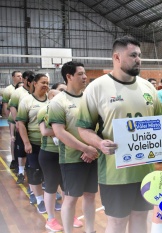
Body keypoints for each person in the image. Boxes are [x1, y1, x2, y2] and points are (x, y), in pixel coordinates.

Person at [76, 36, 162, 233]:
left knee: (140, 218)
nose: (138, 59)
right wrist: (100, 144)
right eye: (133, 55)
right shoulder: (96, 87)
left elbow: (161, 124)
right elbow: (83, 128)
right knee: (117, 223)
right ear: (117, 57)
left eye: (140, 55)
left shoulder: (148, 87)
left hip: (146, 171)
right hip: (114, 174)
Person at [48, 61, 97, 233]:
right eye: (80, 74)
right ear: (69, 76)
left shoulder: (90, 98)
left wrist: (93, 149)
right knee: (70, 198)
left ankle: (91, 230)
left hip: (93, 156)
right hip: (71, 159)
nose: (85, 77)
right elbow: (59, 132)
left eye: (85, 73)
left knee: (90, 196)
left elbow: (97, 126)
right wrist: (85, 148)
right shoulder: (58, 102)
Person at [16, 73, 49, 214]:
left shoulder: (52, 100)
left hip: (50, 145)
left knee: (49, 173)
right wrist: (26, 143)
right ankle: (40, 200)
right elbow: (20, 124)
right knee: (35, 171)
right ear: (34, 83)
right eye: (43, 82)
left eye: (47, 82)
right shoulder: (26, 101)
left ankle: (49, 198)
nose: (46, 85)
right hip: (34, 143)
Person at [38, 84, 67, 231]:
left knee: (66, 186)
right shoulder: (44, 110)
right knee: (50, 186)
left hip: (66, 153)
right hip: (49, 153)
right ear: (52, 97)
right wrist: (61, 131)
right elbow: (44, 131)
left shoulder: (66, 109)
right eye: (60, 93)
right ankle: (50, 219)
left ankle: (69, 214)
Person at [9, 71, 35, 184]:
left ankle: (35, 172)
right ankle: (20, 172)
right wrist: (17, 122)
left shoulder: (36, 91)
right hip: (22, 124)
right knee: (21, 150)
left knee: (34, 150)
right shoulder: (18, 92)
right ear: (24, 80)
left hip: (34, 126)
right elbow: (13, 107)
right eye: (29, 79)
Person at [2, 71, 22, 171]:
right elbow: (5, 104)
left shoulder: (24, 90)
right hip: (12, 118)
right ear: (13, 77)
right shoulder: (8, 90)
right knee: (13, 138)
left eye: (21, 76)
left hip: (21, 117)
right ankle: (14, 159)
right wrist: (7, 116)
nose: (20, 77)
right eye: (18, 76)